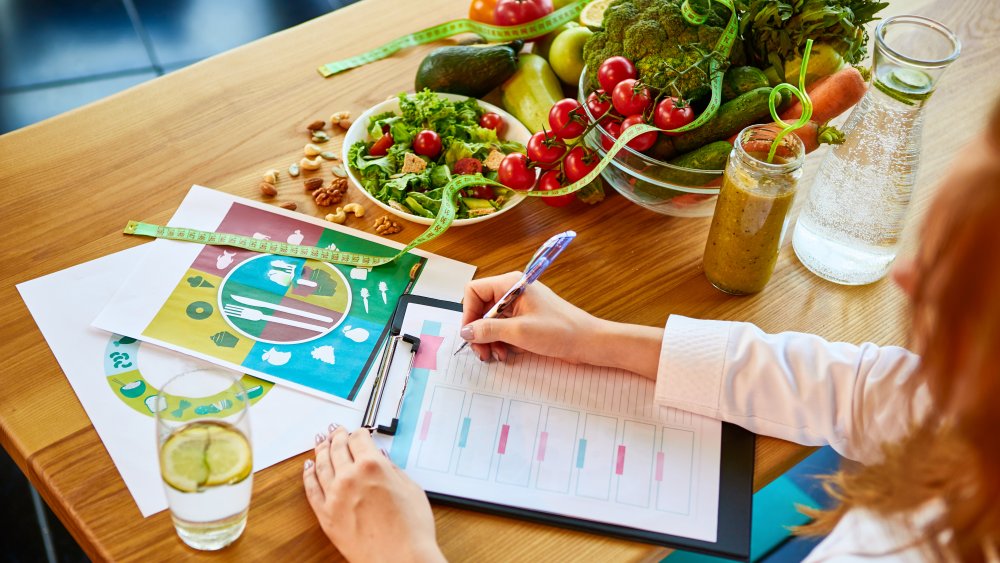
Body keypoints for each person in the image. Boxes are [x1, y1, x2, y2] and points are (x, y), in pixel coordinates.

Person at [301, 107, 1000, 561]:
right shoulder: (968, 409)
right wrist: (594, 338)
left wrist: (404, 555)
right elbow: (863, 389)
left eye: (953, 278)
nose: (903, 273)